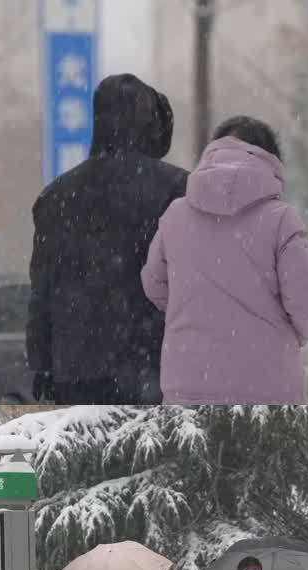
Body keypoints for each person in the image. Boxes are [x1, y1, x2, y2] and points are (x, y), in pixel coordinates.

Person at [27, 74, 189, 406]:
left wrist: (42, 363)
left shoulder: (57, 197)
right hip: (155, 363)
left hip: (76, 368)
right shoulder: (176, 188)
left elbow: (43, 290)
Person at [141, 117, 308, 405]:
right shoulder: (281, 219)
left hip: (188, 383)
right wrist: (283, 337)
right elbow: (306, 304)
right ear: (271, 161)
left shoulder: (175, 215)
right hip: (269, 386)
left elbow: (154, 284)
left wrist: (192, 312)